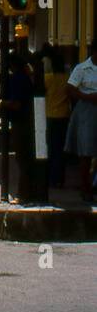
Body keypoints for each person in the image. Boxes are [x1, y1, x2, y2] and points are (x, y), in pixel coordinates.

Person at [2, 53, 36, 202]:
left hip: (21, 122)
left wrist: (0, 103)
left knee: (22, 159)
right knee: (25, 159)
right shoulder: (26, 79)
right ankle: (27, 192)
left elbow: (16, 104)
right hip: (27, 121)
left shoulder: (17, 79)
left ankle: (23, 194)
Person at [65, 44, 97, 202]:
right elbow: (70, 88)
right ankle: (85, 187)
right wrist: (87, 97)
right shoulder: (82, 69)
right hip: (87, 110)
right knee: (86, 150)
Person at [41, 45, 71, 189]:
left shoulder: (48, 79)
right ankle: (60, 178)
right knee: (60, 149)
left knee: (50, 149)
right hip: (64, 116)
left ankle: (51, 178)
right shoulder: (67, 79)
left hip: (50, 115)